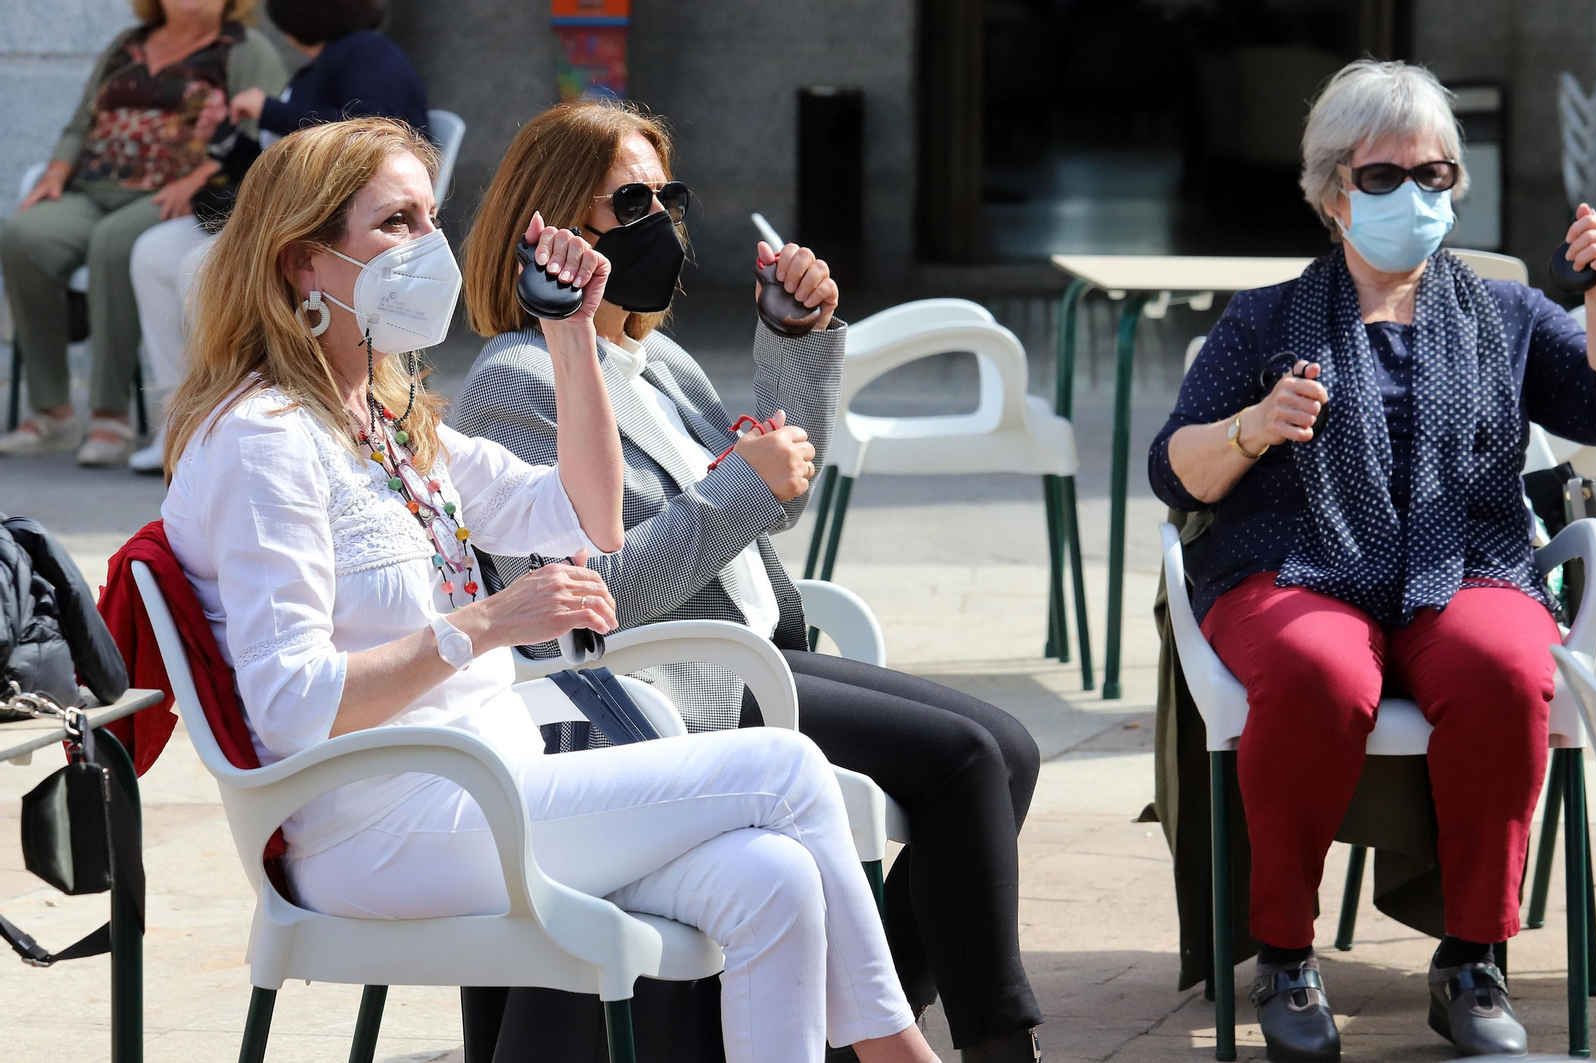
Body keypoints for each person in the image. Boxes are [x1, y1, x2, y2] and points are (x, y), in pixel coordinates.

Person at [158, 116, 939, 1063]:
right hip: (386, 824)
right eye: (394, 224)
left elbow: (588, 515)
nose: (428, 247)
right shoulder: (265, 441)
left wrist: (569, 330)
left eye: (431, 217)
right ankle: (901, 1055)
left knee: (772, 874)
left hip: (492, 789)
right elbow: (289, 706)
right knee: (784, 768)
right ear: (301, 264)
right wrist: (485, 623)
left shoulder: (392, 420)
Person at [453, 100, 1044, 1063]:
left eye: (668, 198)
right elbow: (591, 601)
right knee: (969, 761)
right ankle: (984, 1044)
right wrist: (742, 486)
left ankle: (853, 1014)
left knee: (1007, 747)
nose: (662, 224)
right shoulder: (518, 379)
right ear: (553, 222)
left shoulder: (657, 361)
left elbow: (773, 491)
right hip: (677, 681)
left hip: (761, 651)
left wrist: (794, 336)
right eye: (632, 201)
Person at [1148, 59, 1596, 1061]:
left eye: (1433, 175)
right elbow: (1172, 471)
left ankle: (1472, 959)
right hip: (1292, 562)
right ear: (1331, 190)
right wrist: (1255, 428)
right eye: (1384, 175)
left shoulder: (1508, 315)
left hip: (1467, 561)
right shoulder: (1265, 318)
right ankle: (1287, 955)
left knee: (1501, 668)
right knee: (1316, 673)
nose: (1413, 196)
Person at [126, 0, 429, 474]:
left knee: (197, 264)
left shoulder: (369, 53)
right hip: (277, 220)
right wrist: (226, 137)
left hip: (325, 232)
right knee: (153, 252)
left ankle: (230, 400)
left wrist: (269, 109)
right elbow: (275, 172)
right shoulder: (313, 70)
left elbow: (364, 140)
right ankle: (176, 415)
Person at [0, 0, 285, 465]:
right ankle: (51, 410)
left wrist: (193, 181)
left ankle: (111, 415)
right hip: (92, 186)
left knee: (113, 243)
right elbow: (82, 123)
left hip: (172, 194)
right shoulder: (126, 43)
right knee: (23, 236)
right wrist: (55, 173)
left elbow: (257, 138)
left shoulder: (245, 48)